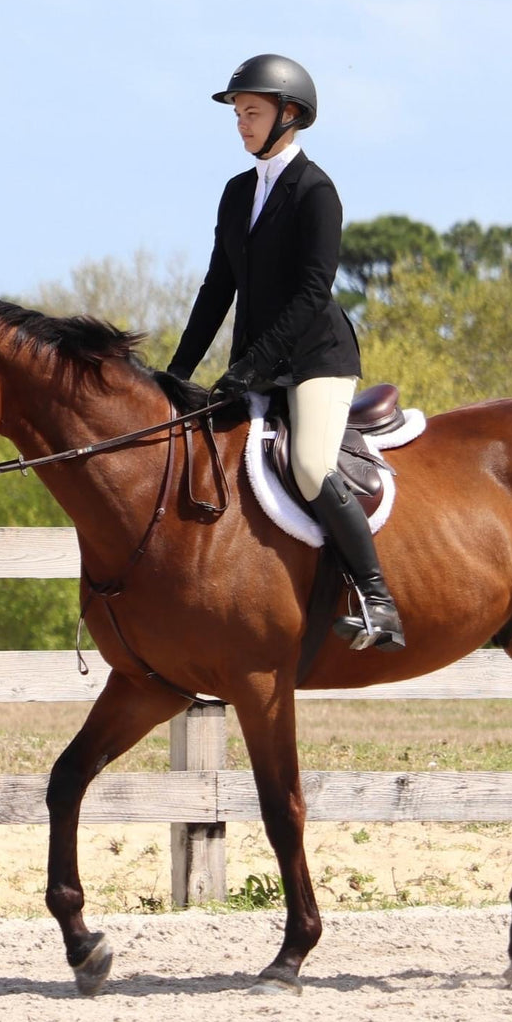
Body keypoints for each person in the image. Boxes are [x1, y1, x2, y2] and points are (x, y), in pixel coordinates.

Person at [167, 54, 404, 650]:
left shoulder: (316, 192)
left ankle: (378, 602)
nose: (242, 124)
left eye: (252, 112)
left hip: (315, 359)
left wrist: (248, 367)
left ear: (290, 114)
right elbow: (217, 288)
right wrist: (176, 372)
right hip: (259, 360)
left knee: (308, 466)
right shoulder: (237, 191)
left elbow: (310, 293)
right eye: (238, 114)